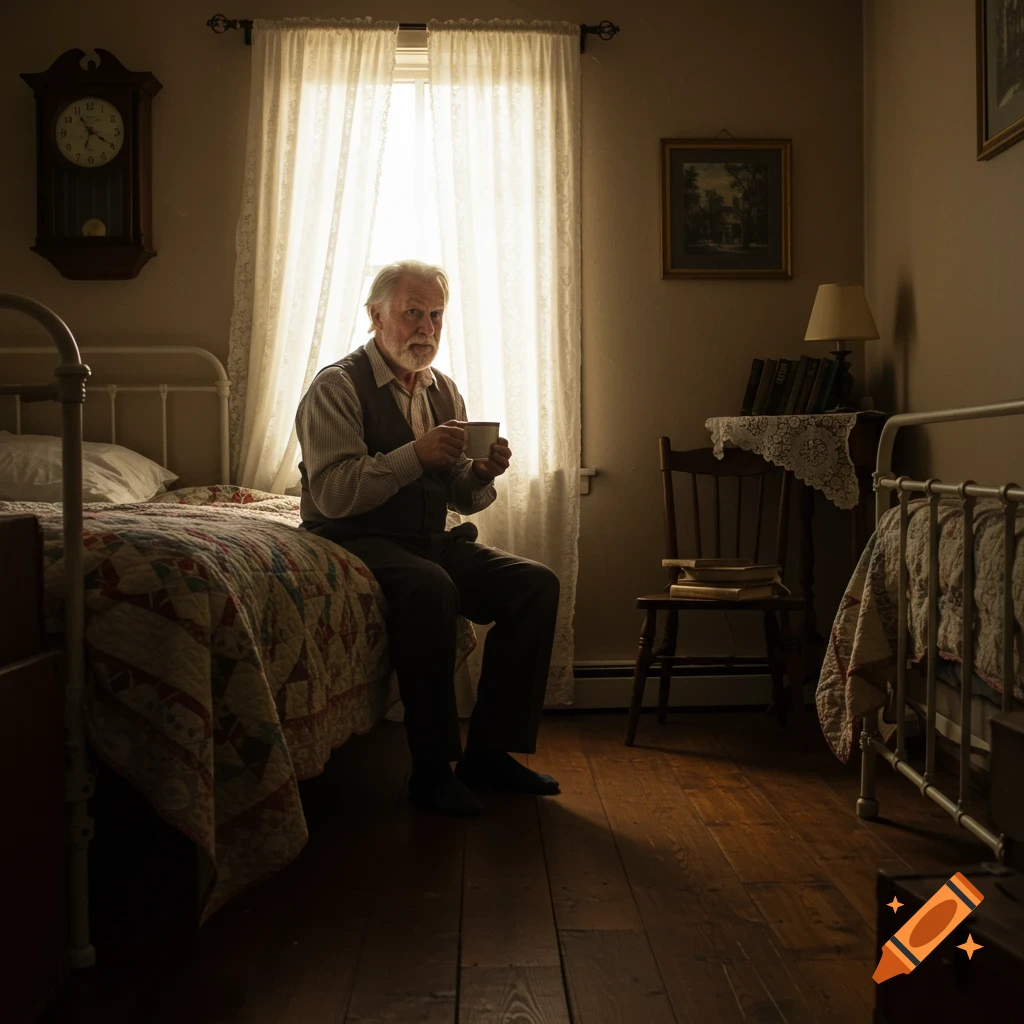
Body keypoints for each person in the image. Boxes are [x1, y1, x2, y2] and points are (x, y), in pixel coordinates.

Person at [295, 260, 561, 816]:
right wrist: (413, 455)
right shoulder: (336, 387)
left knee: (534, 585)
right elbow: (335, 495)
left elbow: (458, 496)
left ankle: (488, 754)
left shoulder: (444, 392)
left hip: (426, 539)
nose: (426, 328)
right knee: (430, 588)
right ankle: (432, 770)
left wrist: (481, 474)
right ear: (375, 317)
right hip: (354, 537)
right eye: (412, 312)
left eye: (435, 315)